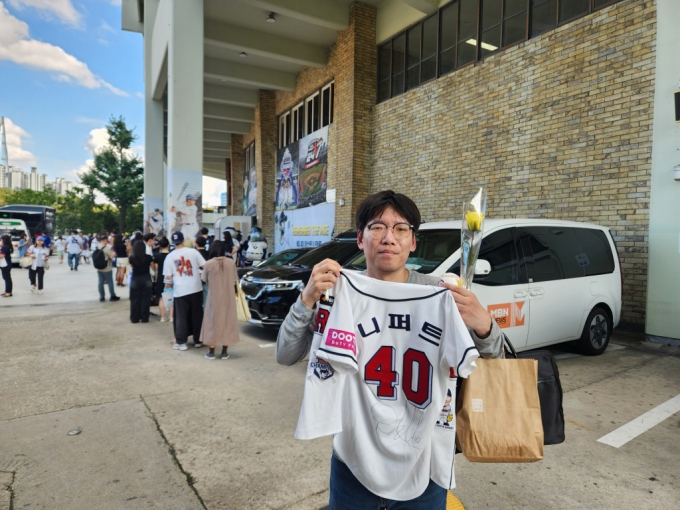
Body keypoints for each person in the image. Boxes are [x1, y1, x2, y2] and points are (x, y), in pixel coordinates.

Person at [275, 190, 502, 510]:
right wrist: (306, 299)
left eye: (400, 228)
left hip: (423, 459)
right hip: (353, 458)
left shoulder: (440, 294)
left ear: (413, 241)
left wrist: (484, 325)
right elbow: (285, 354)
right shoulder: (338, 293)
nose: (388, 237)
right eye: (377, 226)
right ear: (360, 238)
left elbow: (495, 358)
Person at [163, 231, 206, 350]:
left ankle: (181, 342)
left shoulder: (169, 257)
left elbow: (168, 278)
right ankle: (198, 340)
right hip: (196, 288)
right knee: (197, 315)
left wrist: (167, 290)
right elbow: (205, 265)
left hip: (180, 290)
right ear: (183, 241)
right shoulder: (193, 252)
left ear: (173, 242)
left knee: (181, 317)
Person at [200, 240, 240, 360]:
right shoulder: (231, 263)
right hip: (228, 297)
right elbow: (234, 279)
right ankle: (224, 352)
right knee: (227, 321)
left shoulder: (208, 264)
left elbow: (205, 280)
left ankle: (211, 352)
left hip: (214, 297)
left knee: (212, 322)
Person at [128, 239, 154, 323]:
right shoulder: (148, 257)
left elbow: (132, 266)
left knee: (135, 299)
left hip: (135, 278)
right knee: (146, 299)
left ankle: (135, 318)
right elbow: (153, 267)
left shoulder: (132, 258)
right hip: (146, 278)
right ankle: (144, 317)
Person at [95, 234, 120, 302]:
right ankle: (112, 295)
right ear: (105, 240)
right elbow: (111, 257)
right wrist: (114, 253)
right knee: (110, 282)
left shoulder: (97, 247)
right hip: (107, 268)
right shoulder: (105, 248)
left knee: (100, 282)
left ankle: (102, 296)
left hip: (99, 267)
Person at [153, 237, 173, 323]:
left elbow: (156, 268)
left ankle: (163, 317)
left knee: (161, 298)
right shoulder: (172, 255)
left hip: (161, 278)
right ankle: (171, 317)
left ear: (160, 246)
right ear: (168, 245)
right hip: (171, 277)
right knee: (171, 297)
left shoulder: (157, 256)